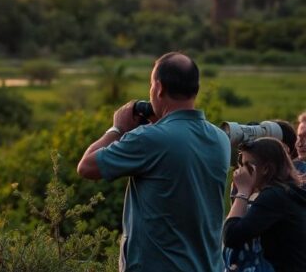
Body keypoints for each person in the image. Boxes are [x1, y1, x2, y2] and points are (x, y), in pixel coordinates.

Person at [76, 52, 230, 272]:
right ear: (194, 89)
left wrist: (117, 129)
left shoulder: (149, 139)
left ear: (158, 87)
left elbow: (86, 167)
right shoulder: (220, 139)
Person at [223, 137, 306, 272]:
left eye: (247, 165)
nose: (241, 172)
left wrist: (243, 192)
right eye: (241, 165)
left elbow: (231, 236)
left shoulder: (274, 197)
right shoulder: (286, 193)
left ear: (266, 168)